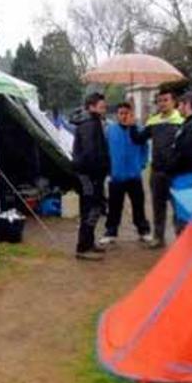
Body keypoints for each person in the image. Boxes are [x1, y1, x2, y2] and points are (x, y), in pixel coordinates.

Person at [130, 89, 184, 249]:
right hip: (157, 172)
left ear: (174, 102)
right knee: (158, 206)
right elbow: (138, 139)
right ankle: (158, 238)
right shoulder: (153, 122)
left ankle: (181, 240)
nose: (162, 103)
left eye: (165, 100)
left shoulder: (181, 121)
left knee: (178, 208)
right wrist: (133, 123)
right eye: (159, 101)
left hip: (176, 173)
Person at [101, 102, 150, 246]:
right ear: (117, 115)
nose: (124, 116)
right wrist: (108, 169)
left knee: (138, 204)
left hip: (134, 175)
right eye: (121, 113)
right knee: (114, 205)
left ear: (131, 114)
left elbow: (145, 149)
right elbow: (105, 151)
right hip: (116, 175)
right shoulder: (110, 130)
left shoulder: (138, 130)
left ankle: (143, 230)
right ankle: (111, 232)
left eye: (126, 113)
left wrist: (141, 164)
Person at [71, 92, 110, 260]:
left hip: (94, 174)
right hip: (89, 175)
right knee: (89, 209)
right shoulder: (89, 124)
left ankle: (89, 242)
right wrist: (97, 172)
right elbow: (89, 153)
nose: (104, 109)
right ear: (91, 107)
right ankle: (82, 247)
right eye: (101, 106)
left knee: (94, 209)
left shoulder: (94, 121)